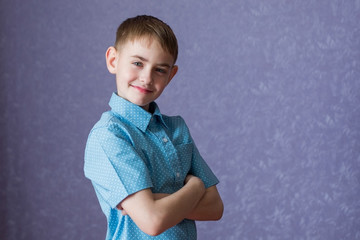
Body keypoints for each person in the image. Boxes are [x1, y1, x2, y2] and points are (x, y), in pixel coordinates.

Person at [84, 15, 223, 239]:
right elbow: (152, 221)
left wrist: (153, 202)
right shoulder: (108, 136)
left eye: (160, 69)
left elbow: (215, 208)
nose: (147, 78)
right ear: (113, 60)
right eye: (138, 63)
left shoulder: (177, 129)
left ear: (171, 75)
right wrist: (196, 187)